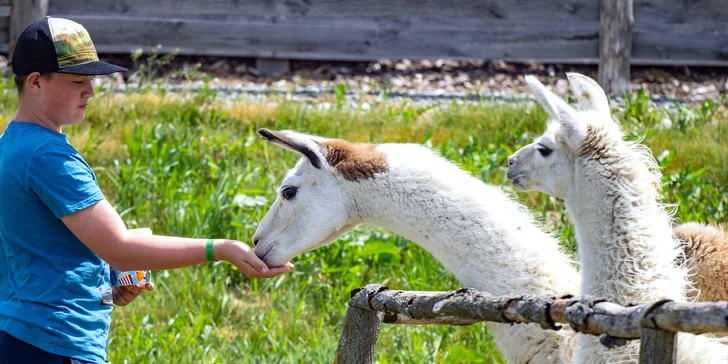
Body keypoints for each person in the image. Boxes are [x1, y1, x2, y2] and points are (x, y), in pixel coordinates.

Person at [0, 16, 294, 364]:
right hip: (56, 342)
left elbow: (35, 246)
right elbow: (122, 247)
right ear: (35, 82)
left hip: (21, 333)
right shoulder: (49, 157)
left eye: (91, 80)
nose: (90, 91)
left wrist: (109, 283)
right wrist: (222, 249)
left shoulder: (11, 145)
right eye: (77, 80)